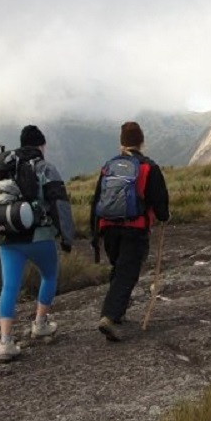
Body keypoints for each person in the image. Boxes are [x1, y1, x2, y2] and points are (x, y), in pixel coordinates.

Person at [0, 124, 75, 361]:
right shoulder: (45, 168)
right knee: (49, 276)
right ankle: (40, 323)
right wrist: (66, 236)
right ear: (41, 145)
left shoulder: (6, 168)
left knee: (9, 287)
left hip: (8, 237)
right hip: (39, 237)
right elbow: (59, 203)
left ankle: (5, 341)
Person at [90, 122, 170, 342]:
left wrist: (95, 233)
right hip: (134, 228)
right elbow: (160, 200)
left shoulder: (109, 167)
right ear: (142, 142)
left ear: (122, 143)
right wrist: (163, 216)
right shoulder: (148, 167)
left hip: (108, 227)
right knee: (127, 272)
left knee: (119, 268)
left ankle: (118, 313)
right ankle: (109, 316)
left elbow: (97, 200)